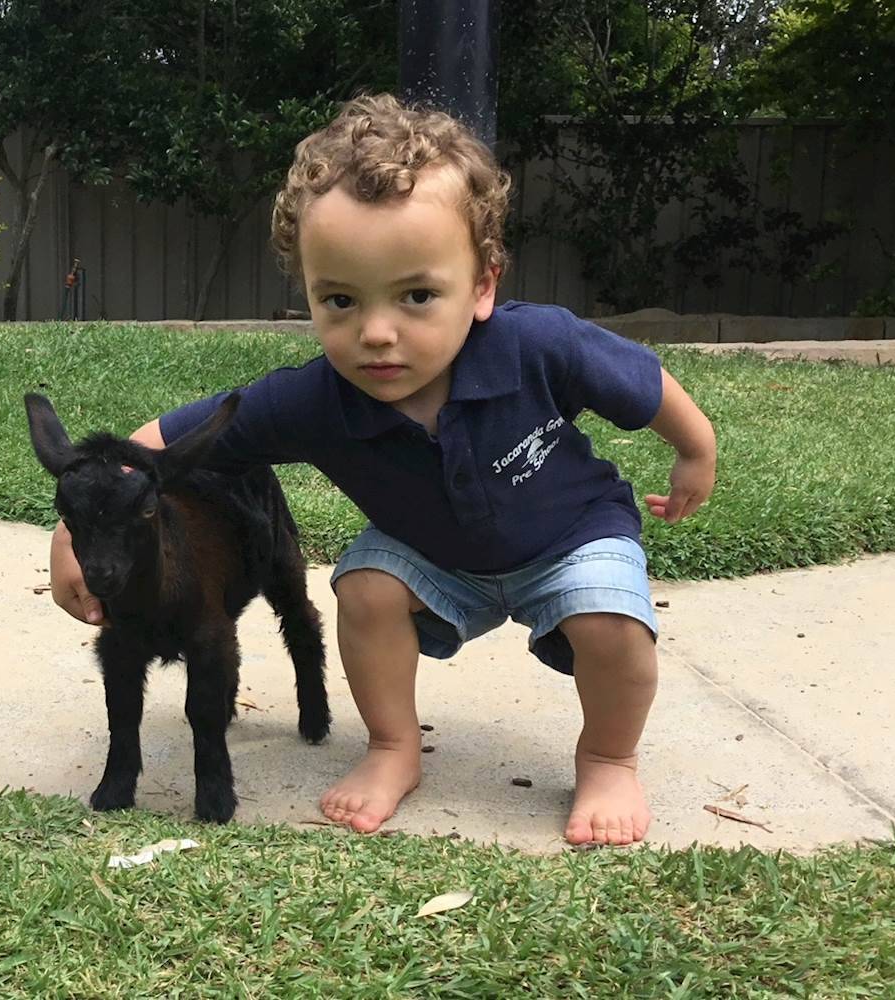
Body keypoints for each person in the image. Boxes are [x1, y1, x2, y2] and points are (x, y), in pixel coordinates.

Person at [47, 93, 716, 846]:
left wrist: (695, 451)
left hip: (572, 537)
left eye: (417, 296)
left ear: (484, 283)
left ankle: (608, 759)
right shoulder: (312, 400)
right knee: (365, 588)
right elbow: (148, 450)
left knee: (612, 623)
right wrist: (72, 535)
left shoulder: (538, 346)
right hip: (433, 556)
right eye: (339, 299)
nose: (375, 332)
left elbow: (643, 383)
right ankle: (394, 746)